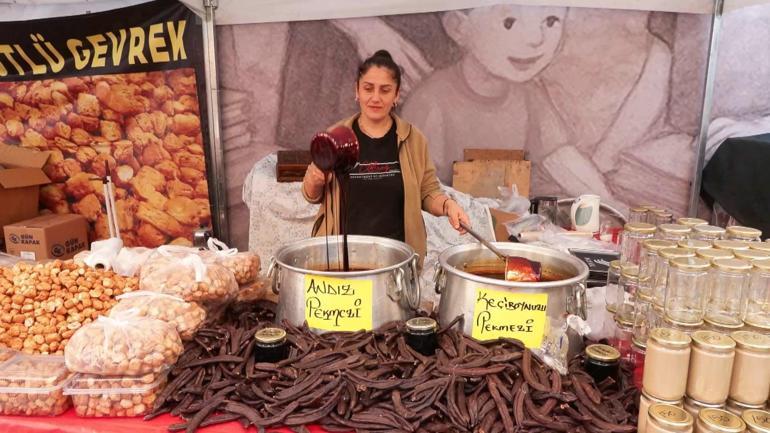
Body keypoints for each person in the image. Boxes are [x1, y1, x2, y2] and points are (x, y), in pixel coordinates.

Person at [301, 50, 470, 261]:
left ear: (397, 95)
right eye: (368, 88)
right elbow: (311, 195)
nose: (375, 98)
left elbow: (427, 192)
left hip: (395, 259)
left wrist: (448, 206)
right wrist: (315, 179)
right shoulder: (337, 136)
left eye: (385, 90)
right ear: (357, 90)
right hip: (340, 259)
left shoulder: (413, 139)